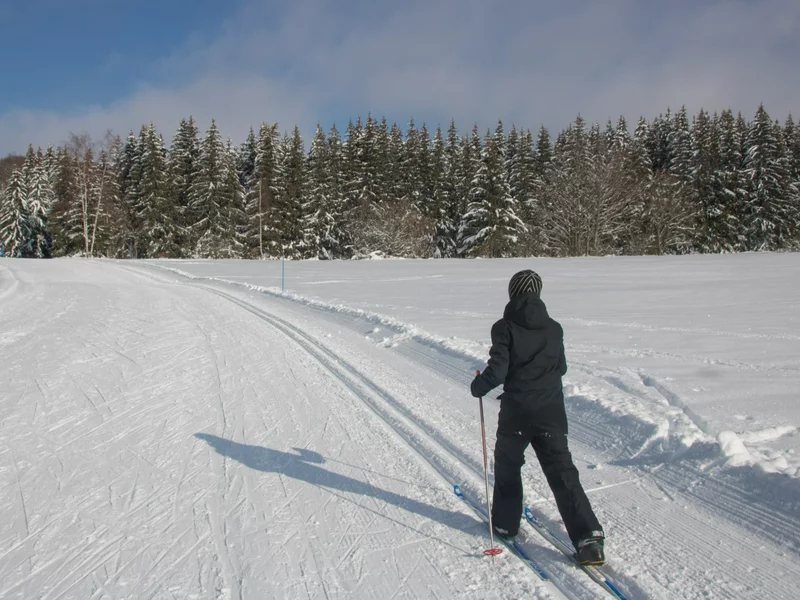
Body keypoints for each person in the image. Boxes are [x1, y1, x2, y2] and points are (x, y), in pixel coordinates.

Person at [470, 269, 605, 566]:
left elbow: (498, 371)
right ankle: (589, 538)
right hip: (551, 413)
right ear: (538, 294)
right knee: (563, 473)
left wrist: (479, 386)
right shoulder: (554, 328)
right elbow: (562, 367)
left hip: (517, 413)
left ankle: (505, 524)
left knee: (507, 467)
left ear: (512, 293)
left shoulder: (503, 327)